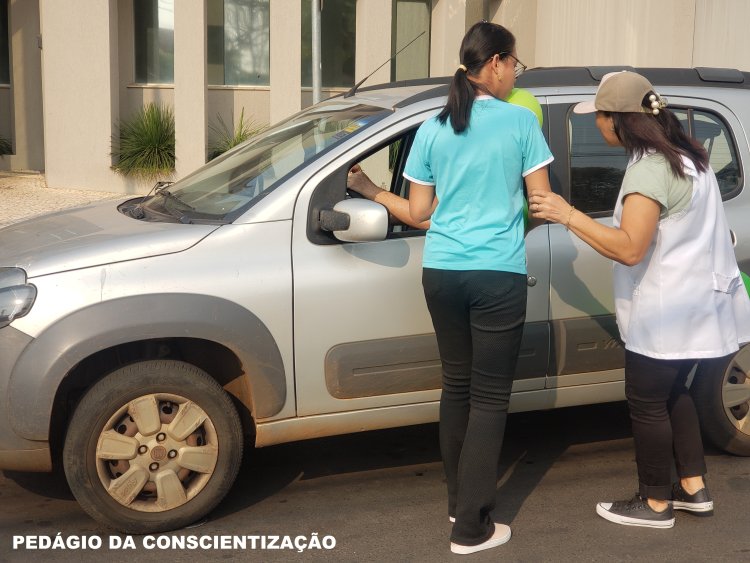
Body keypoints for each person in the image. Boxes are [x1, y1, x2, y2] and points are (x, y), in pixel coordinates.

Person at [529, 71, 750, 528]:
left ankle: (653, 503)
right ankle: (693, 488)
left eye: (601, 118)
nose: (598, 126)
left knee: (647, 401)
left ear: (620, 120)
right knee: (675, 393)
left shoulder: (651, 169)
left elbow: (629, 247)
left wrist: (566, 213)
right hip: (697, 308)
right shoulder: (691, 157)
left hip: (665, 311)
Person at [402, 21, 554, 554]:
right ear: (494, 63)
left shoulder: (432, 126)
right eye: (515, 63)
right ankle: (471, 528)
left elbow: (420, 212)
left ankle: (457, 500)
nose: (516, 72)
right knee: (489, 399)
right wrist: (510, 223)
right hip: (497, 274)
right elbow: (541, 203)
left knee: (457, 389)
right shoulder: (519, 123)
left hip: (441, 271)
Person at [347, 87, 545, 231]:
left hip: (445, 267)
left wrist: (370, 189)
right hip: (500, 265)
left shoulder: (433, 131)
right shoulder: (510, 197)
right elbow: (540, 208)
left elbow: (423, 215)